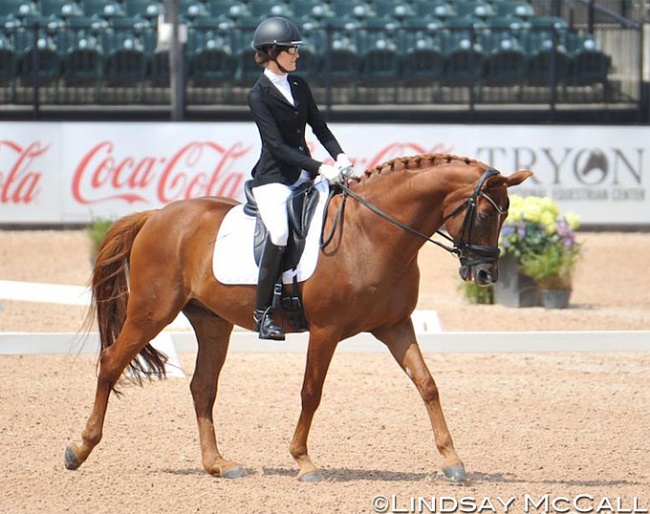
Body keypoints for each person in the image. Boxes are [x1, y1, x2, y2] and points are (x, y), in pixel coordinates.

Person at [248, 16, 352, 341]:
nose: (297, 55)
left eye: (295, 49)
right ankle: (263, 312)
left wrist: (340, 156)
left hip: (304, 171)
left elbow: (319, 126)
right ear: (272, 52)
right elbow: (276, 147)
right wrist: (320, 167)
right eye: (291, 49)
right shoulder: (258, 94)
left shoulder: (299, 84)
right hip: (273, 178)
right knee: (278, 232)